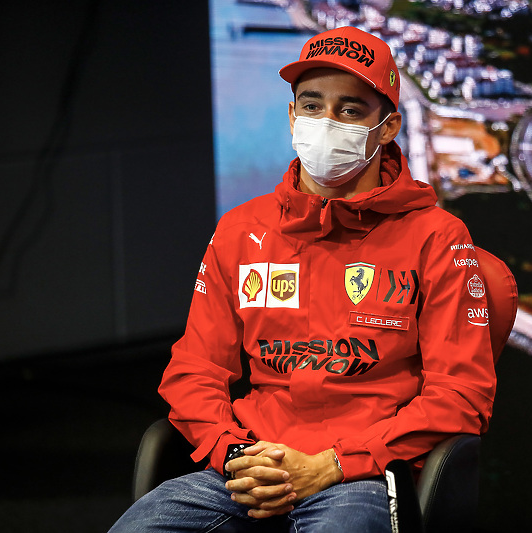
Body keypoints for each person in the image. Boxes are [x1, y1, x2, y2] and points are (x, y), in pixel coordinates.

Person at [110, 26, 497, 533]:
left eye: (350, 110)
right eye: (311, 106)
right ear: (292, 116)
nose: (325, 122)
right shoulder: (241, 230)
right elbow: (194, 371)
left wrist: (333, 464)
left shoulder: (437, 238)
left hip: (363, 476)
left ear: (386, 127)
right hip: (248, 468)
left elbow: (460, 395)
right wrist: (235, 453)